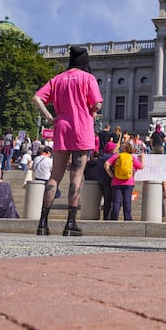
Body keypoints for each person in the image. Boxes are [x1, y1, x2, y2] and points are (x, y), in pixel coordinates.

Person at [32, 46, 103, 237]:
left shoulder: (58, 79)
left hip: (61, 126)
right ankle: (70, 223)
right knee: (77, 176)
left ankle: (42, 223)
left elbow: (37, 98)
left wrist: (50, 117)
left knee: (54, 176)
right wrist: (92, 110)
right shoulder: (88, 78)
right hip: (82, 128)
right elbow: (97, 104)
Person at [104, 141, 144, 221]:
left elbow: (106, 164)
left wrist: (111, 175)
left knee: (116, 202)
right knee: (127, 202)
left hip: (116, 182)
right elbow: (141, 166)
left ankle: (114, 219)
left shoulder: (117, 156)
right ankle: (128, 219)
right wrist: (142, 158)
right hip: (129, 182)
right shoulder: (131, 157)